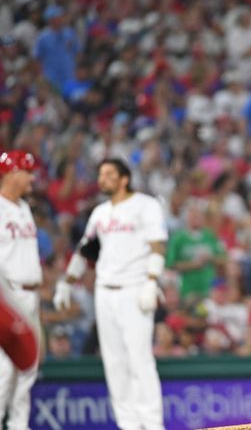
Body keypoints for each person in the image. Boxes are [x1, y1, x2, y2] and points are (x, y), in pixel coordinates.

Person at [53, 158, 168, 430]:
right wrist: (66, 282)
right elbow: (86, 250)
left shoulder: (145, 205)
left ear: (124, 178)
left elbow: (158, 245)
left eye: (108, 174)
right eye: (101, 174)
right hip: (104, 292)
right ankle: (128, 424)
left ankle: (152, 424)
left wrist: (152, 280)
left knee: (140, 359)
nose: (102, 178)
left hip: (135, 289)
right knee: (114, 361)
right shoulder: (100, 212)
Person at [0, 150, 42, 430]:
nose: (32, 178)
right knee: (3, 370)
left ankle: (18, 426)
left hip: (31, 295)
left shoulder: (25, 208)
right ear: (13, 173)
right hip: (7, 294)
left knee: (27, 371)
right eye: (27, 172)